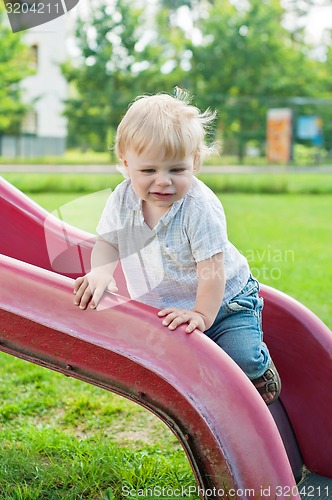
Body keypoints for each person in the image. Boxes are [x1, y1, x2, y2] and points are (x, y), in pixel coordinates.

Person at [73, 89, 281, 405]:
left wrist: (201, 314)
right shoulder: (122, 199)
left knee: (240, 359)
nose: (163, 182)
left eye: (176, 170)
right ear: (126, 164)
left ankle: (261, 370)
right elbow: (107, 241)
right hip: (166, 307)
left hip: (225, 303)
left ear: (194, 162)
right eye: (148, 171)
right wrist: (100, 272)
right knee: (175, 375)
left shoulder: (199, 208)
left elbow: (211, 271)